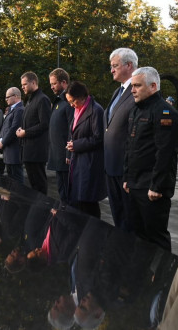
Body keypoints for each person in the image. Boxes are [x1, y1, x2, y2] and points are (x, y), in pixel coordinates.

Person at [123, 67, 178, 252]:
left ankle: (162, 278)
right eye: (132, 86)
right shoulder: (135, 110)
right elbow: (130, 147)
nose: (132, 90)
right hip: (135, 184)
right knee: (138, 235)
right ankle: (144, 276)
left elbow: (165, 154)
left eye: (137, 86)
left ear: (153, 86)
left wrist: (157, 186)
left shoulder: (165, 113)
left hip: (151, 189)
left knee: (156, 237)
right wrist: (127, 178)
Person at [104, 47, 138, 231]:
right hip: (111, 166)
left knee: (129, 220)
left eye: (115, 66)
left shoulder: (137, 91)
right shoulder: (118, 92)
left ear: (129, 65)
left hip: (126, 168)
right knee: (118, 217)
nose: (112, 70)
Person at [65, 81, 106, 219]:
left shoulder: (96, 110)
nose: (71, 105)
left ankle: (94, 232)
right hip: (78, 161)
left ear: (82, 97)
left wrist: (76, 145)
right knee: (79, 200)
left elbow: (98, 138)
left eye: (73, 101)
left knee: (88, 202)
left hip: (89, 163)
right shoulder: (77, 109)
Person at [16, 71, 51, 194]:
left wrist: (25, 132)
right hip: (28, 151)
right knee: (33, 186)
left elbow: (44, 124)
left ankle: (42, 210)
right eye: (22, 85)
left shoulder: (43, 99)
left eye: (25, 84)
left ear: (34, 82)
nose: (23, 87)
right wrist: (21, 129)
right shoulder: (30, 100)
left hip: (37, 151)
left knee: (39, 186)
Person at [48, 68, 74, 205]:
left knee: (67, 194)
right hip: (58, 155)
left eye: (54, 84)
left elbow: (72, 128)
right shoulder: (59, 101)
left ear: (64, 82)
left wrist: (68, 154)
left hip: (65, 158)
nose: (51, 87)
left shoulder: (68, 102)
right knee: (62, 192)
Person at [0, 87, 25, 183]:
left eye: (8, 97)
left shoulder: (20, 110)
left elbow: (14, 128)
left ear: (16, 96)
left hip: (14, 152)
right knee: (11, 179)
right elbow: (5, 127)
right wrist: (0, 138)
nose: (6, 99)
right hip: (9, 152)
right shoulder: (11, 109)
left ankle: (20, 198)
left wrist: (3, 142)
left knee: (17, 180)